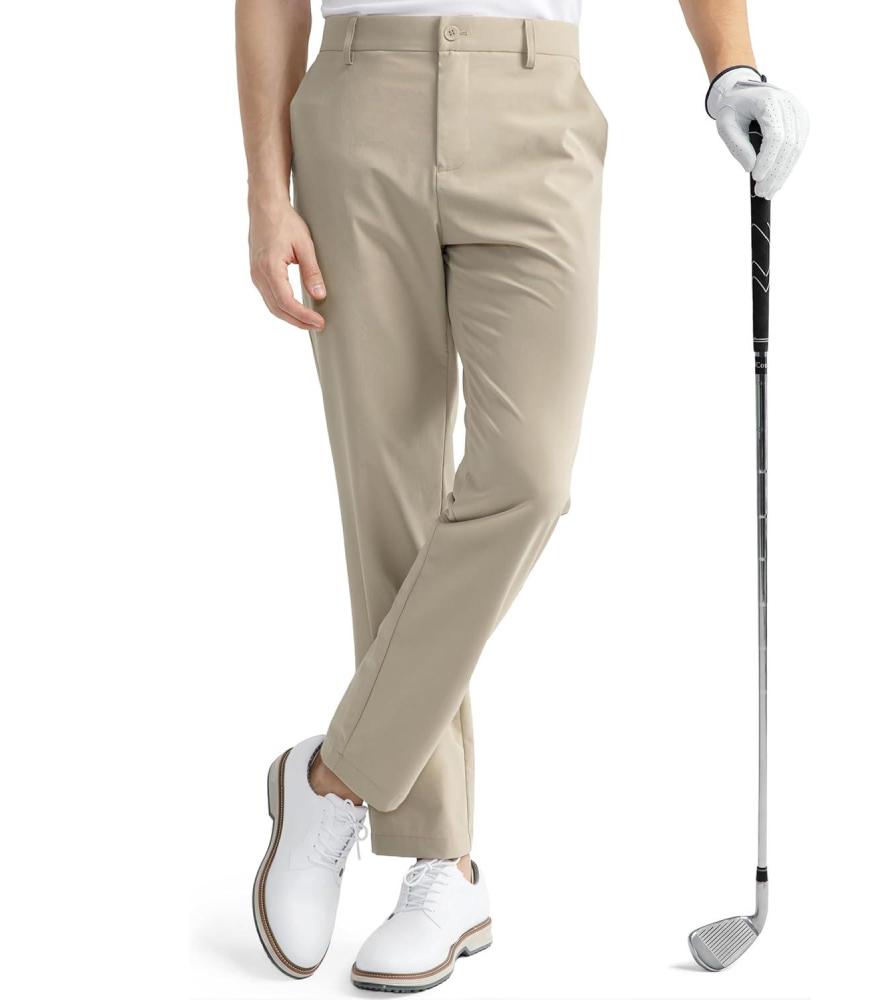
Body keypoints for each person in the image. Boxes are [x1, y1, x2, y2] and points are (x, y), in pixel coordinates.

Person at [236, 0, 807, 991]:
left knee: (529, 476)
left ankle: (332, 778)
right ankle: (444, 867)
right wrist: (264, 192)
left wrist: (731, 66)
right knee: (391, 499)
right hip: (362, 94)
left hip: (534, 100)